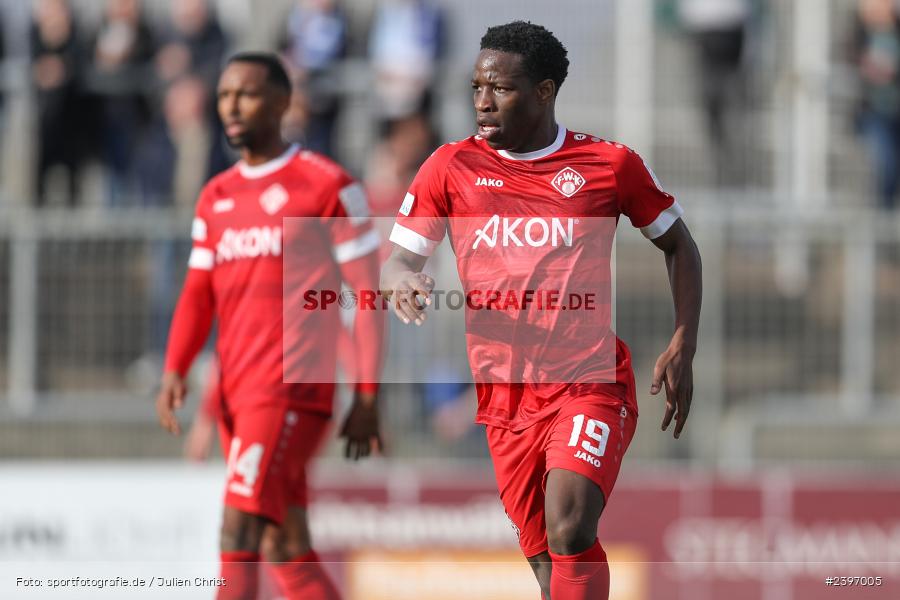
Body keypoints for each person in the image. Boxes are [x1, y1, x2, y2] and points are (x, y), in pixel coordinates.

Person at [380, 22, 702, 600]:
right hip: (504, 398)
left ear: (545, 91)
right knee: (549, 567)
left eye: (499, 89)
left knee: (570, 524)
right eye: (476, 87)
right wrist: (403, 280)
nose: (482, 101)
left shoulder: (608, 164)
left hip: (588, 381)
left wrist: (684, 341)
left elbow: (679, 244)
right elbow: (400, 258)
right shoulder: (450, 168)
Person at [156, 52, 384, 600]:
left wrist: (369, 395)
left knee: (237, 530)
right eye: (224, 95)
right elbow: (197, 295)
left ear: (283, 102)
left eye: (247, 94)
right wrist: (175, 368)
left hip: (290, 393)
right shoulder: (216, 196)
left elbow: (369, 296)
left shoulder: (326, 185)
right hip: (237, 395)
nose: (231, 106)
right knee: (284, 546)